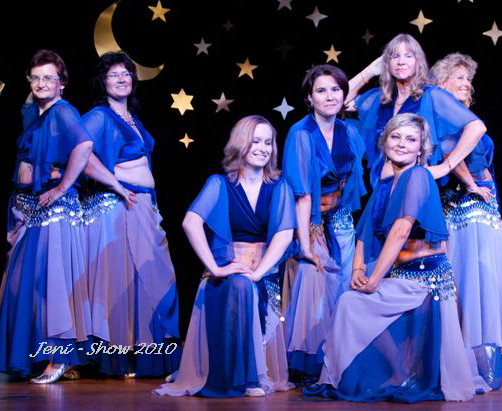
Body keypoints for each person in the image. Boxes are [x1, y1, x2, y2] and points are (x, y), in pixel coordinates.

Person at [305, 113, 480, 402]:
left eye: (410, 139)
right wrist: (357, 270)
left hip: (426, 279)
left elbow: (401, 230)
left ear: (421, 149)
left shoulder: (418, 176)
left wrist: (373, 279)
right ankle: (397, 371)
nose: (401, 144)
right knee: (349, 298)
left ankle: (399, 373)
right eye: (396, 137)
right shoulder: (386, 185)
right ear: (385, 141)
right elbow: (364, 233)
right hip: (401, 274)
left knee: (351, 302)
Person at [153, 115, 296, 397]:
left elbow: (284, 235)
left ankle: (247, 375)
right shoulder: (220, 183)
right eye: (256, 141)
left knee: (246, 285)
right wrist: (216, 269)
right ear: (241, 144)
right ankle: (242, 379)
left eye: (268, 143)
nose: (263, 148)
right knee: (239, 285)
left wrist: (257, 273)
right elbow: (190, 222)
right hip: (226, 273)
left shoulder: (279, 187)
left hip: (262, 272)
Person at [80, 51, 180, 376]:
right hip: (120, 208)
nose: (122, 79)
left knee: (149, 278)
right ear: (103, 81)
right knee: (122, 282)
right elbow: (80, 154)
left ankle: (144, 356)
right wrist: (115, 184)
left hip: (144, 208)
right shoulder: (99, 116)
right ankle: (118, 358)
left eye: (126, 73)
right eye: (114, 74)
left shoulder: (133, 119)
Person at [0, 50, 93, 383]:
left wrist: (63, 185)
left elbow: (84, 145)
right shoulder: (38, 115)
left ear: (61, 83)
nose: (41, 83)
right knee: (26, 285)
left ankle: (59, 357)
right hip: (32, 208)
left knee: (52, 285)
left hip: (54, 210)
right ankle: (38, 356)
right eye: (35, 78)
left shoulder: (62, 111)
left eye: (48, 78)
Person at [430, 52, 502, 388]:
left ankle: (487, 354)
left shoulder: (466, 117)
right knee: (470, 276)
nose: (467, 84)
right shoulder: (445, 117)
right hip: (464, 207)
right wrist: (471, 184)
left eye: (469, 79)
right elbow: (448, 154)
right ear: (441, 84)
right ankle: (471, 357)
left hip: (486, 210)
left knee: (489, 277)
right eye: (460, 78)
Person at [281, 64, 366, 382]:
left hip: (341, 221)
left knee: (342, 288)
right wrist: (305, 244)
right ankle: (309, 364)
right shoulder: (301, 133)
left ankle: (338, 359)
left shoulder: (350, 132)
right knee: (314, 287)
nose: (329, 96)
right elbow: (302, 195)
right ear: (309, 98)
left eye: (335, 89)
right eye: (321, 90)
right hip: (310, 222)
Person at [347, 33, 487, 187]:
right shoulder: (380, 99)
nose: (401, 61)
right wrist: (370, 70)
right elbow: (339, 100)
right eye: (394, 56)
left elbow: (477, 127)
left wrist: (445, 167)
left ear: (418, 62)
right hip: (383, 186)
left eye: (408, 56)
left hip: (416, 186)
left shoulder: (432, 95)